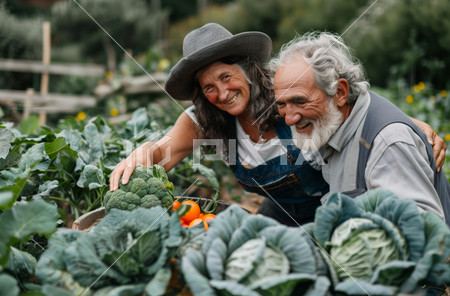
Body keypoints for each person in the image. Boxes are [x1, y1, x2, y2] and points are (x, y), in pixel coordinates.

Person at [110, 23, 447, 226]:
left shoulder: (287, 91)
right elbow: (164, 152)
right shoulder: (204, 122)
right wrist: (143, 154)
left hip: (336, 205)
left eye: (226, 77)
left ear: (247, 69)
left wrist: (410, 125)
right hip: (282, 211)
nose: (222, 93)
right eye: (208, 87)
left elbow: (352, 105)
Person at [271, 31, 450, 225]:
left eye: (300, 101)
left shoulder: (387, 144)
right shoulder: (328, 126)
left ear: (340, 92)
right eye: (281, 104)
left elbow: (425, 231)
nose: (289, 119)